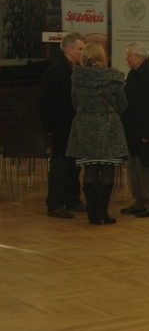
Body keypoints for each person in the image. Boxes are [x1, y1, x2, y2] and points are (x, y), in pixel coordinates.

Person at [66, 43, 128, 225]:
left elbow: (74, 102)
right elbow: (123, 105)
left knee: (89, 171)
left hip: (85, 126)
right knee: (108, 171)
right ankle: (103, 213)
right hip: (109, 126)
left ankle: (92, 214)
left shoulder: (77, 77)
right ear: (102, 57)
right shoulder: (113, 77)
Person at [38, 33, 85, 219]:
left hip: (76, 127)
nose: (83, 52)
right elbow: (45, 104)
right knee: (60, 166)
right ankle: (55, 203)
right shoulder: (55, 72)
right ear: (69, 49)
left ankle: (73, 199)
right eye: (80, 49)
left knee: (75, 165)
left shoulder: (78, 70)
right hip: (61, 127)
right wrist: (49, 127)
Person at [120, 42, 149, 218]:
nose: (127, 59)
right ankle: (139, 201)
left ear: (139, 56)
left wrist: (148, 133)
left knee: (145, 168)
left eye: (129, 55)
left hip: (145, 131)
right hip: (132, 130)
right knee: (134, 169)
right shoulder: (133, 74)